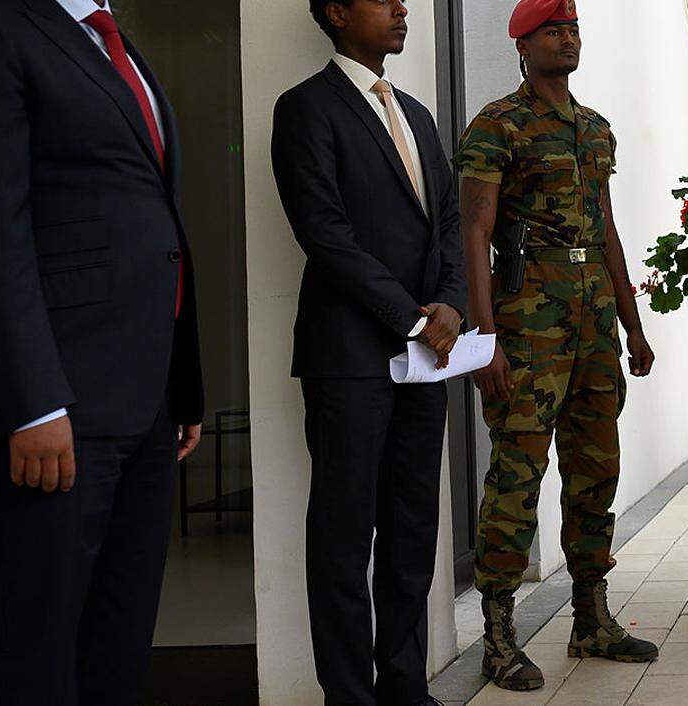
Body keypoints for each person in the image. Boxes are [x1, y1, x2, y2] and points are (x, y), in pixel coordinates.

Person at [0, 0, 205, 702]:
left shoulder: (114, 41)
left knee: (121, 630)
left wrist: (181, 384)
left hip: (145, 394)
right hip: (58, 398)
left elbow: (146, 218)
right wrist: (32, 399)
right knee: (37, 636)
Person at [452, 0, 659, 692]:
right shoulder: (497, 125)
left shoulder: (593, 129)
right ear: (522, 44)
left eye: (573, 29)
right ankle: (498, 633)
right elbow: (475, 233)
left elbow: (605, 228)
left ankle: (591, 616)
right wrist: (484, 339)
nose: (567, 38)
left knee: (596, 466)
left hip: (594, 319)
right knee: (517, 473)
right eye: (553, 30)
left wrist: (632, 323)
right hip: (527, 322)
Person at [270, 1, 465, 703]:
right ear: (336, 12)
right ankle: (349, 697)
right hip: (349, 357)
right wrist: (412, 319)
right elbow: (323, 232)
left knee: (413, 533)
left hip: (426, 361)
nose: (402, 8)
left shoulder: (416, 112)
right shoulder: (306, 109)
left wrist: (452, 304)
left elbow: (446, 220)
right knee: (345, 541)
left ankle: (404, 689)